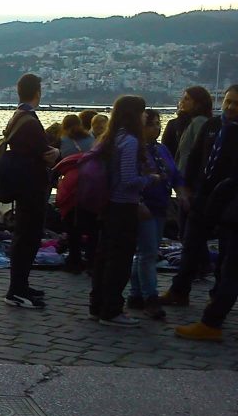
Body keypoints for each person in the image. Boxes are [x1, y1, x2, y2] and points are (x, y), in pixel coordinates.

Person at [161, 85, 238, 312]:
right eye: (228, 101)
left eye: (236, 103)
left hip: (229, 201)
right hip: (202, 196)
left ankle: (217, 297)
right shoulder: (212, 125)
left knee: (226, 252)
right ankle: (179, 291)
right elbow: (195, 158)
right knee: (190, 244)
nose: (231, 107)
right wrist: (186, 187)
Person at [88, 95, 158, 327]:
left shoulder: (110, 138)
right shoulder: (130, 142)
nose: (146, 115)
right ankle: (112, 310)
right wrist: (150, 179)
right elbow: (128, 180)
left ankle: (97, 305)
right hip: (123, 206)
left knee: (104, 258)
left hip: (108, 205)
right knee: (119, 261)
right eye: (143, 111)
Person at [3, 73, 59, 309]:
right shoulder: (29, 120)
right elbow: (45, 153)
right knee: (28, 238)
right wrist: (57, 153)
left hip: (23, 185)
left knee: (25, 237)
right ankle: (16, 289)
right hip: (31, 187)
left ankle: (21, 285)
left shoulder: (18, 116)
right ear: (38, 92)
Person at [127, 109, 185, 319]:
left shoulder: (161, 149)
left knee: (146, 251)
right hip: (145, 206)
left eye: (158, 123)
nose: (157, 128)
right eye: (151, 124)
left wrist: (182, 193)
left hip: (161, 206)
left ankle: (135, 294)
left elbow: (175, 173)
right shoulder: (135, 150)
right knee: (149, 252)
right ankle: (150, 297)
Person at [163, 86, 212, 161]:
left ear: (198, 103)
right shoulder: (174, 124)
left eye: (187, 99)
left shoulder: (199, 122)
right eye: (182, 98)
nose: (182, 101)